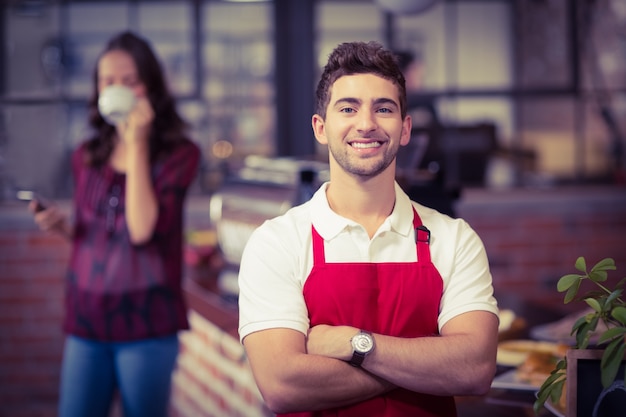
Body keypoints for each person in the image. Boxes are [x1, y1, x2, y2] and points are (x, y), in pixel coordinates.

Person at [237, 41, 499, 416]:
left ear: (405, 128)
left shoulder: (454, 238)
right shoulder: (277, 242)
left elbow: (474, 370)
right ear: (321, 127)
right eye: (348, 108)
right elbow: (282, 385)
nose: (366, 124)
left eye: (384, 109)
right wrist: (428, 364)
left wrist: (355, 345)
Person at [29, 31, 200, 417]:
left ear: (150, 86)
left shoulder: (179, 154)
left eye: (130, 80)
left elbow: (140, 231)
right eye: (108, 81)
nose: (117, 88)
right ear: (97, 88)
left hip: (147, 321)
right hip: (86, 317)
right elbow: (101, 234)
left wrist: (136, 144)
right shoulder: (86, 155)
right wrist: (62, 227)